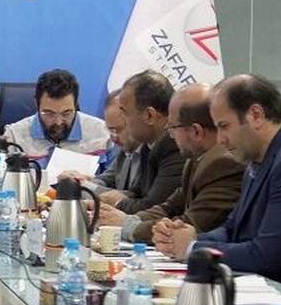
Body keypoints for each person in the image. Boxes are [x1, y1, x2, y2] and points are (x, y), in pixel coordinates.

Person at [154, 75, 281, 296]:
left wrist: (192, 248)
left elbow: (265, 255)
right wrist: (187, 237)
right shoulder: (257, 159)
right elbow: (233, 229)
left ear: (256, 115)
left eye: (224, 126)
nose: (221, 139)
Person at [98, 84, 243, 244]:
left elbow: (191, 225)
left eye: (172, 128)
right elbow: (168, 207)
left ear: (196, 132)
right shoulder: (195, 159)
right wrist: (126, 220)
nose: (171, 136)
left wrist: (127, 226)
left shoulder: (224, 164)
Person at [98, 70, 185, 214]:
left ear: (149, 115)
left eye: (125, 113)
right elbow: (136, 194)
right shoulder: (147, 144)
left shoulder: (176, 146)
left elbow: (153, 207)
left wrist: (118, 202)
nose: (123, 121)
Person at [3, 69, 109, 167]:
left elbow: (115, 178)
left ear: (76, 104)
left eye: (66, 113)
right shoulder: (14, 136)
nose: (58, 122)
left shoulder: (103, 133)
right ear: (36, 104)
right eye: (49, 114)